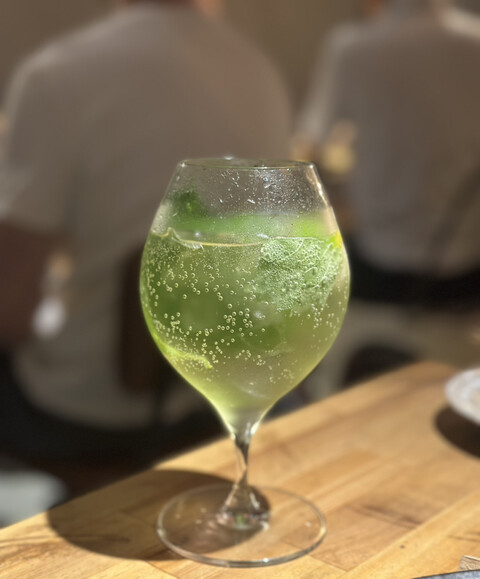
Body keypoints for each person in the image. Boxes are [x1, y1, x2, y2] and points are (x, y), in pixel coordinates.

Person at [0, 0, 291, 472]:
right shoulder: (260, 71)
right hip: (222, 393)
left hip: (88, 413)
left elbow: (11, 312)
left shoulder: (56, 76)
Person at [296, 0, 480, 309]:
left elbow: (310, 144)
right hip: (469, 265)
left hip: (384, 263)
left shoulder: (352, 48)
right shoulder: (474, 40)